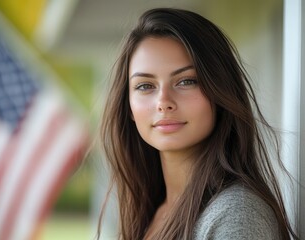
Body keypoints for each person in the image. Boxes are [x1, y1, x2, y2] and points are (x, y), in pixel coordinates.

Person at [97, 8, 299, 240]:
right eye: (145, 86)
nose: (163, 102)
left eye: (186, 81)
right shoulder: (151, 210)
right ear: (129, 107)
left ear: (220, 91)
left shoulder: (236, 214)